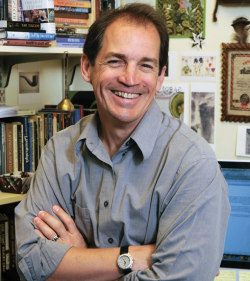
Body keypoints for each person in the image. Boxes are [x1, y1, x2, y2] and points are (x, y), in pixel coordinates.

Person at [15, 3, 231, 281]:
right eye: (115, 61)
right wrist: (133, 257)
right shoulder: (59, 151)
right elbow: (30, 262)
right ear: (87, 67)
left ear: (160, 76)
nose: (130, 79)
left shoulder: (192, 165)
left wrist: (78, 262)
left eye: (145, 65)